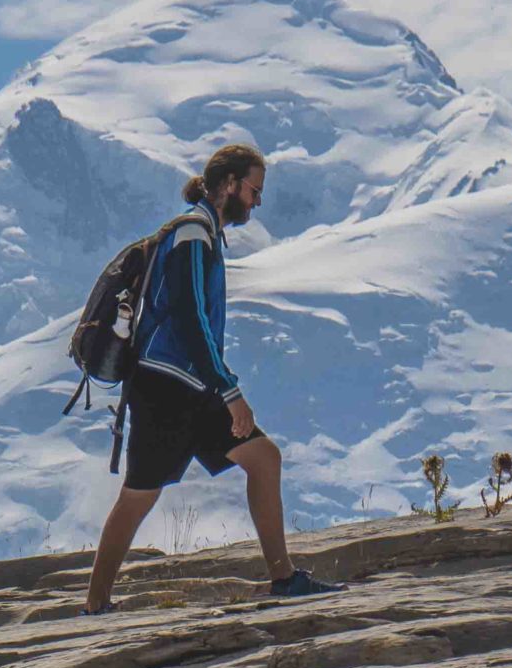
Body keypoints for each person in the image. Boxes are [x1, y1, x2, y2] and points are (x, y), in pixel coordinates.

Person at [81, 144, 343, 615]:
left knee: (262, 458)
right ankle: (95, 603)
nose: (257, 201)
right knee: (139, 494)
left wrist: (218, 385)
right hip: (166, 387)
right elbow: (190, 319)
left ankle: (283, 579)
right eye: (253, 190)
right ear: (228, 185)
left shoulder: (199, 233)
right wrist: (230, 391)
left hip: (189, 385)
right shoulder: (193, 235)